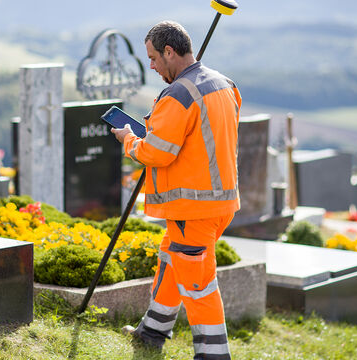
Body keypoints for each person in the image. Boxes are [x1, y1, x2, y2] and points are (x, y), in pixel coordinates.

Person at [111, 20, 241, 360]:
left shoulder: (178, 94)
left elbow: (156, 153)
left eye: (154, 58)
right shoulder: (224, 84)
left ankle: (213, 355)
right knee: (171, 262)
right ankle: (152, 332)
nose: (151, 66)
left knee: (198, 286)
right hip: (220, 203)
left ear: (170, 52)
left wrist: (129, 140)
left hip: (191, 208)